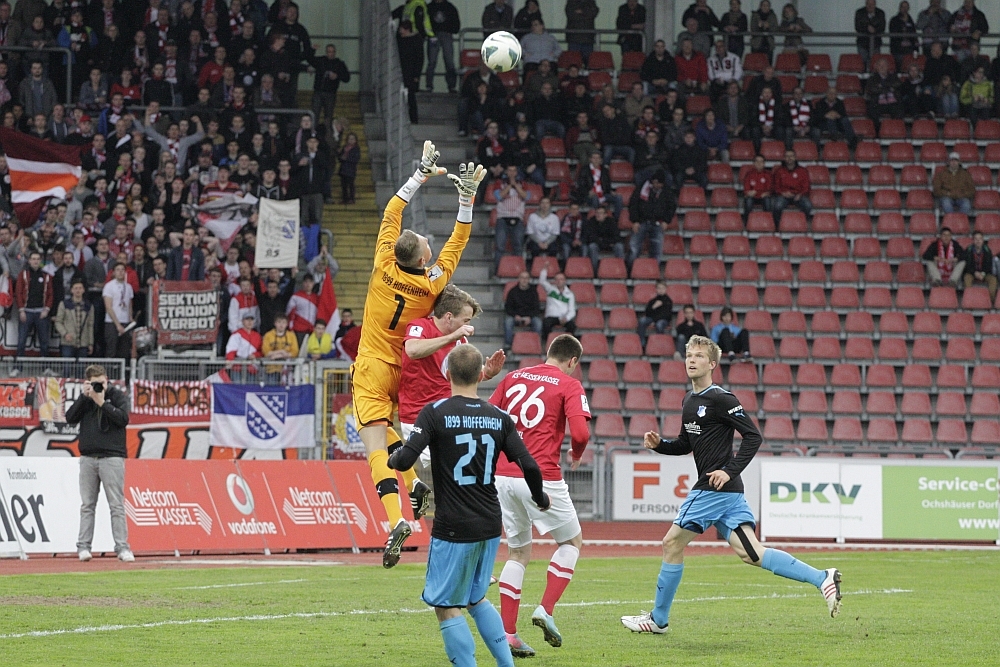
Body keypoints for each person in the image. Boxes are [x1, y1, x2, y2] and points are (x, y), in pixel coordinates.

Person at [620, 335, 842, 636]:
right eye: (689, 354)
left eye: (699, 355)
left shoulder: (722, 399)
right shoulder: (689, 400)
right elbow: (686, 443)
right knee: (752, 553)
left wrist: (728, 470)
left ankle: (658, 620)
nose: (691, 359)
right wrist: (661, 445)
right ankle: (822, 577)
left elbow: (753, 437)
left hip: (713, 487)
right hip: (728, 492)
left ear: (712, 363)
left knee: (671, 543)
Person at [353, 143, 482, 568]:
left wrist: (419, 175)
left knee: (373, 444)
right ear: (425, 258)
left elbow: (393, 210)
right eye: (427, 242)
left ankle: (395, 520)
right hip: (405, 368)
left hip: (372, 364)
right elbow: (457, 242)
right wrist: (466, 200)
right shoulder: (431, 284)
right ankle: (414, 483)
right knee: (390, 435)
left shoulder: (382, 263)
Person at [387, 344, 548, 667]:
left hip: (453, 525)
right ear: (480, 375)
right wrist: (540, 498)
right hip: (489, 523)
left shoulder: (434, 412)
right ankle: (506, 664)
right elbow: (529, 466)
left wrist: (390, 457)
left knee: (445, 605)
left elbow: (405, 459)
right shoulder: (499, 417)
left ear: (447, 374)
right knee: (475, 598)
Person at [492, 334, 590, 656]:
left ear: (548, 352)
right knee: (571, 542)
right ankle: (546, 609)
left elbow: (489, 416)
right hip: (541, 476)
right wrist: (576, 453)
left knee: (517, 553)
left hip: (503, 476)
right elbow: (580, 433)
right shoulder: (569, 384)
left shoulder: (513, 377)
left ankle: (509, 635)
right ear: (572, 361)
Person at [399, 285, 504, 462]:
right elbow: (412, 350)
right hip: (418, 415)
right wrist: (451, 337)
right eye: (466, 320)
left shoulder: (460, 340)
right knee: (451, 465)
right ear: (449, 317)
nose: (468, 326)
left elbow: (463, 378)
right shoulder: (421, 326)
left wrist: (486, 373)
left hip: (450, 414)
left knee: (470, 460)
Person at [68, 364, 133, 563]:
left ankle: (122, 547)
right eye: (94, 383)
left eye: (101, 383)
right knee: (87, 505)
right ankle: (83, 546)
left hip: (112, 457)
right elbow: (70, 418)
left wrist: (102, 402)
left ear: (107, 380)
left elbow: (123, 419)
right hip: (88, 457)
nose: (99, 387)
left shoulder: (117, 395)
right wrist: (84, 397)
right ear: (87, 382)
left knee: (116, 505)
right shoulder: (86, 399)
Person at [629, 172, 676, 266]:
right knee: (634, 248)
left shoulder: (667, 192)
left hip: (658, 223)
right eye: (654, 182)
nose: (655, 185)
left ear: (662, 184)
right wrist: (635, 221)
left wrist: (666, 221)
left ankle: (653, 270)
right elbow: (633, 204)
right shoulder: (642, 189)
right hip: (641, 222)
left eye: (658, 183)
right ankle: (630, 269)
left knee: (657, 251)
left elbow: (671, 207)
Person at [14, 250, 52, 361]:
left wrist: (46, 309)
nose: (35, 261)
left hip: (41, 312)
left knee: (44, 341)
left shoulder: (46, 276)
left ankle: (45, 367)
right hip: (27, 312)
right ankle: (18, 367)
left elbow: (50, 294)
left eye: (37, 259)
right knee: (21, 341)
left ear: (40, 261)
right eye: (33, 259)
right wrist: (21, 310)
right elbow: (18, 292)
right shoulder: (23, 274)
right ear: (29, 261)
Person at [494, 164, 531, 270]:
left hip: (518, 218)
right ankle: (498, 270)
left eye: (514, 171)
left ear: (516, 172)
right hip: (502, 218)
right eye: (509, 170)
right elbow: (499, 196)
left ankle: (518, 270)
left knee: (518, 246)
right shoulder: (499, 183)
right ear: (506, 172)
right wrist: (510, 185)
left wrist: (516, 185)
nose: (512, 173)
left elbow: (526, 196)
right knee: (500, 246)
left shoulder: (523, 184)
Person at [310, 44, 351, 136]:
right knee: (315, 114)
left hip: (330, 93)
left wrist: (337, 76)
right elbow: (310, 59)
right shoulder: (321, 61)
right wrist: (312, 50)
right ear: (326, 52)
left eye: (332, 52)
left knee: (328, 116)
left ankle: (326, 135)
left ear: (335, 53)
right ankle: (313, 134)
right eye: (329, 52)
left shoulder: (339, 64)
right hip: (319, 92)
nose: (331, 54)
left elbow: (347, 78)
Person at [53, 279, 94, 358]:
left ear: (83, 290)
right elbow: (58, 322)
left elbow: (90, 325)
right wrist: (65, 334)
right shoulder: (64, 304)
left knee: (81, 365)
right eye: (76, 288)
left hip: (83, 343)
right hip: (68, 342)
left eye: (80, 288)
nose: (78, 290)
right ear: (71, 290)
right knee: (67, 364)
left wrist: (90, 343)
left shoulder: (89, 306)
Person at [425, 0, 459, 93]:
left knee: (448, 62)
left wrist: (450, 30)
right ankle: (429, 85)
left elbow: (456, 24)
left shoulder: (449, 7)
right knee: (432, 62)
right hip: (435, 35)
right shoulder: (430, 7)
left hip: (442, 35)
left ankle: (451, 86)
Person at [771, 149, 812, 224]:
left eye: (791, 156)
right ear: (784, 158)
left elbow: (806, 187)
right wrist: (782, 193)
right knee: (777, 206)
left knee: (808, 205)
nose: (789, 158)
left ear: (795, 157)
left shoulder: (803, 171)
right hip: (783, 196)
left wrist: (800, 194)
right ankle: (777, 226)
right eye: (787, 156)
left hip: (798, 195)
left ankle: (801, 223)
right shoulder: (779, 171)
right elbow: (775, 186)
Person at [102, 262, 134, 359]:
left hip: (125, 322)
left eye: (122, 270)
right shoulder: (109, 286)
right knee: (111, 350)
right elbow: (108, 307)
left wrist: (130, 318)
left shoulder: (128, 287)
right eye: (118, 270)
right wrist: (117, 325)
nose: (120, 272)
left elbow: (129, 304)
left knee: (124, 351)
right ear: (114, 272)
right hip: (112, 322)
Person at [505, 270, 543, 349]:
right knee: (508, 322)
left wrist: (530, 317)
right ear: (519, 279)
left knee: (538, 323)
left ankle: (535, 344)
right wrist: (515, 315)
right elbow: (508, 307)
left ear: (529, 279)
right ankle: (508, 345)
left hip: (530, 317)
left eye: (526, 278)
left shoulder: (533, 292)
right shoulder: (512, 292)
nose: (524, 280)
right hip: (516, 317)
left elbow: (536, 308)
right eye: (522, 278)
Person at [582, 204, 624, 272]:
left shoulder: (611, 222)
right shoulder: (591, 221)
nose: (598, 215)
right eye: (597, 213)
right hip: (599, 244)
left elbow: (617, 237)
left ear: (605, 215)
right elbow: (590, 237)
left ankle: (620, 270)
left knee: (619, 246)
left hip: (609, 244)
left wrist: (603, 241)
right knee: (592, 246)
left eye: (600, 213)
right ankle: (594, 271)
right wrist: (603, 242)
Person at [396, 20, 423, 124]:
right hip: (406, 72)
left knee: (410, 97)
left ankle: (413, 118)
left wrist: (416, 75)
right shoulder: (401, 40)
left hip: (410, 73)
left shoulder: (415, 40)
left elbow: (419, 59)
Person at [539, 267, 575, 340]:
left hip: (563, 317)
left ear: (565, 281)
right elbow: (542, 281)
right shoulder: (550, 289)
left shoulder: (570, 294)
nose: (559, 281)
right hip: (551, 317)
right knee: (546, 324)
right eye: (557, 279)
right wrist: (545, 269)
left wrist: (566, 318)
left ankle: (566, 342)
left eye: (561, 279)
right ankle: (547, 342)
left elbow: (572, 310)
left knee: (572, 326)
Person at [261, 312, 299, 379]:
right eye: (279, 322)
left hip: (287, 370)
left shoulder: (291, 335)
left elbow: (295, 352)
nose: (281, 325)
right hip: (271, 370)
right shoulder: (268, 335)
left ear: (287, 324)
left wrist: (277, 356)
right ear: (275, 323)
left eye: (284, 322)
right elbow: (266, 352)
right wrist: (282, 352)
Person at [962, 231, 997, 301]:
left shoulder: (987, 250)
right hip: (972, 273)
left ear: (983, 240)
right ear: (973, 240)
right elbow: (967, 266)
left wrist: (983, 273)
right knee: (966, 278)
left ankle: (991, 301)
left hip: (984, 273)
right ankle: (969, 300)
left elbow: (989, 266)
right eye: (976, 239)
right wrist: (975, 273)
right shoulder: (968, 250)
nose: (978, 241)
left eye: (980, 239)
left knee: (993, 280)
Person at [638, 281, 673, 349]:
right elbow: (647, 313)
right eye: (659, 288)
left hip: (663, 320)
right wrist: (653, 307)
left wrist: (654, 321)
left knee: (659, 324)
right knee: (642, 321)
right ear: (656, 289)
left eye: (663, 288)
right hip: (652, 319)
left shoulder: (668, 301)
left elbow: (667, 315)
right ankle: (642, 343)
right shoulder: (653, 301)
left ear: (666, 289)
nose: (661, 290)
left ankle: (659, 345)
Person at [526, 196, 560, 261]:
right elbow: (530, 233)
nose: (545, 205)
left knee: (553, 249)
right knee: (534, 249)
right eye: (543, 203)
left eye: (547, 203)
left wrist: (547, 243)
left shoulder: (554, 217)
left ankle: (551, 265)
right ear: (539, 204)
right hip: (535, 240)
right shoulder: (532, 216)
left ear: (550, 205)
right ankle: (535, 266)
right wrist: (539, 243)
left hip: (550, 241)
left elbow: (555, 234)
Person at [855, 0, 886, 67]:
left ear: (875, 4)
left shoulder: (880, 13)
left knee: (875, 63)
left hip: (876, 43)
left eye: (872, 4)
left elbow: (882, 27)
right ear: (865, 4)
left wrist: (875, 30)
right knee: (863, 64)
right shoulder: (859, 12)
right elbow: (857, 27)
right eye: (868, 4)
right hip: (862, 43)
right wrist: (867, 29)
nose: (870, 6)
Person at [742, 154, 772, 222]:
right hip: (752, 196)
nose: (759, 163)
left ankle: (768, 222)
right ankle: (747, 223)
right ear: (754, 163)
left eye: (761, 162)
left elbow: (769, 188)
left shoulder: (768, 174)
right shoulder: (749, 174)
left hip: (763, 196)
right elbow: (746, 188)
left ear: (764, 163)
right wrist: (748, 193)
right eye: (757, 161)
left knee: (767, 201)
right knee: (748, 201)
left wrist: (766, 193)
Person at [890, 2, 918, 69]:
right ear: (900, 8)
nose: (905, 9)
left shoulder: (910, 20)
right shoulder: (894, 20)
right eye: (903, 7)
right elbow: (893, 34)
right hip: (898, 49)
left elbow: (913, 33)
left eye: (906, 7)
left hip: (909, 48)